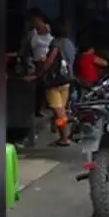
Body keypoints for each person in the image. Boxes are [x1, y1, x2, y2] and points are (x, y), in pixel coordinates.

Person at [25, 17, 77, 146]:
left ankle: (65, 137)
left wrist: (37, 74)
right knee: (61, 110)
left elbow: (49, 61)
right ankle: (63, 135)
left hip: (55, 82)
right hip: (66, 80)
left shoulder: (56, 43)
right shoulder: (70, 43)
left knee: (58, 111)